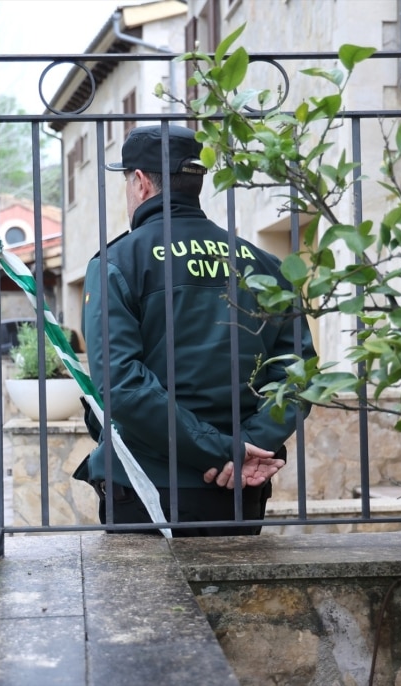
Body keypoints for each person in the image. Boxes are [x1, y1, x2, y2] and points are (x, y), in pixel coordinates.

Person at [73, 124, 316, 537]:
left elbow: (122, 385)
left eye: (127, 182)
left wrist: (223, 451)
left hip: (147, 488)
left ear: (140, 182)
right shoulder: (263, 264)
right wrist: (245, 448)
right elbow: (299, 374)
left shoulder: (118, 262)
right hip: (239, 486)